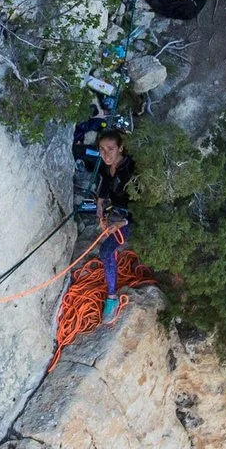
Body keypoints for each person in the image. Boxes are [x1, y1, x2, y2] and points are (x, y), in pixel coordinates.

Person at [92, 128, 136, 320]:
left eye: (110, 149)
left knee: (105, 252)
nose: (106, 154)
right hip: (116, 210)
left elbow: (143, 206)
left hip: (132, 215)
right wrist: (100, 204)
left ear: (120, 148)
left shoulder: (130, 170)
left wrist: (122, 223)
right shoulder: (106, 165)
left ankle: (112, 297)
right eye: (102, 149)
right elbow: (105, 183)